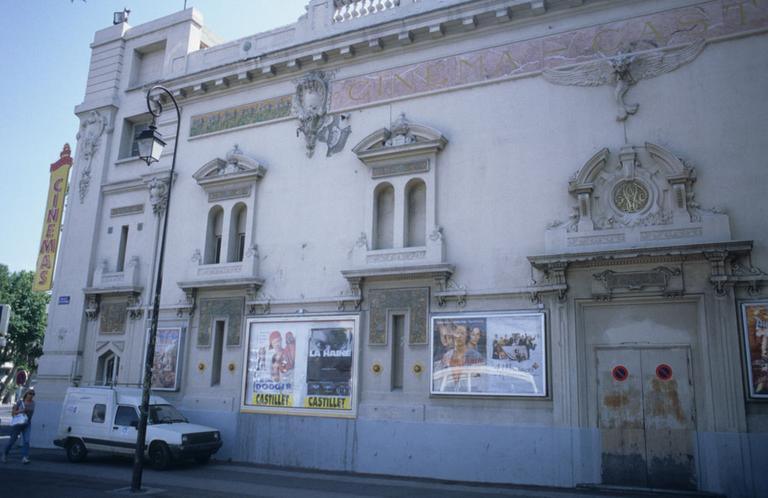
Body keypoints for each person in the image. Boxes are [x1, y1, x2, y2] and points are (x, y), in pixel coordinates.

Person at [3, 389, 36, 464]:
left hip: (27, 424)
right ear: (26, 394)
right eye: (30, 393)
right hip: (18, 424)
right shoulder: (20, 402)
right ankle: (5, 454)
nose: (31, 395)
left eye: (33, 394)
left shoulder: (33, 403)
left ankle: (25, 457)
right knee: (12, 441)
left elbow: (30, 413)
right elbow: (13, 413)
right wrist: (20, 411)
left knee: (26, 441)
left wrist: (26, 411)